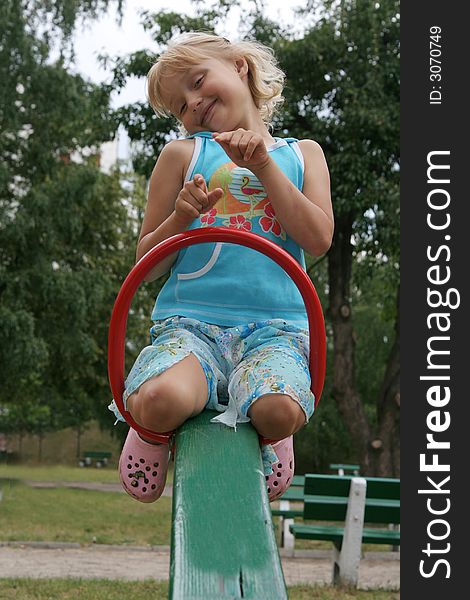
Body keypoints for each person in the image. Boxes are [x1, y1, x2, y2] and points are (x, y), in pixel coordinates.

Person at [109, 32, 333, 503]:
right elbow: (147, 265)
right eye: (179, 106)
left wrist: (265, 166)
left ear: (240, 67)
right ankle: (151, 432)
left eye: (197, 81)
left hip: (276, 331)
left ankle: (272, 432)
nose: (192, 103)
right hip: (192, 328)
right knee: (160, 400)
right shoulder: (183, 156)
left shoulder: (302, 155)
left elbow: (317, 238)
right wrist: (181, 218)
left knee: (279, 409)